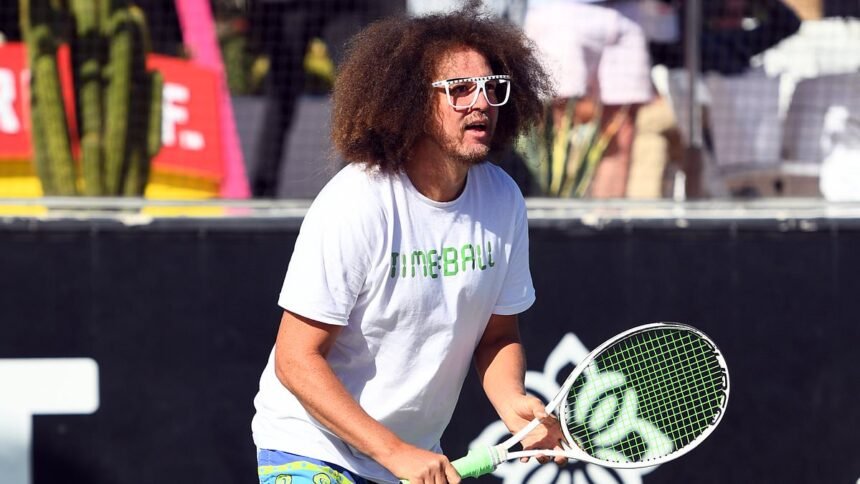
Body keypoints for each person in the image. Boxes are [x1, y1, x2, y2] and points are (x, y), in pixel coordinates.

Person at [251, 3, 564, 484]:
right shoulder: (358, 200)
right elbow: (296, 360)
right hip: (309, 447)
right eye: (458, 90)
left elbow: (497, 334)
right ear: (412, 102)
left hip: (409, 456)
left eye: (491, 88)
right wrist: (394, 451)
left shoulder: (504, 200)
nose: (480, 103)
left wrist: (511, 403)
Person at [524, 0, 656, 198]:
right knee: (556, 122)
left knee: (620, 127)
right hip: (560, 9)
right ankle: (548, 220)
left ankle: (605, 222)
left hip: (628, 13)